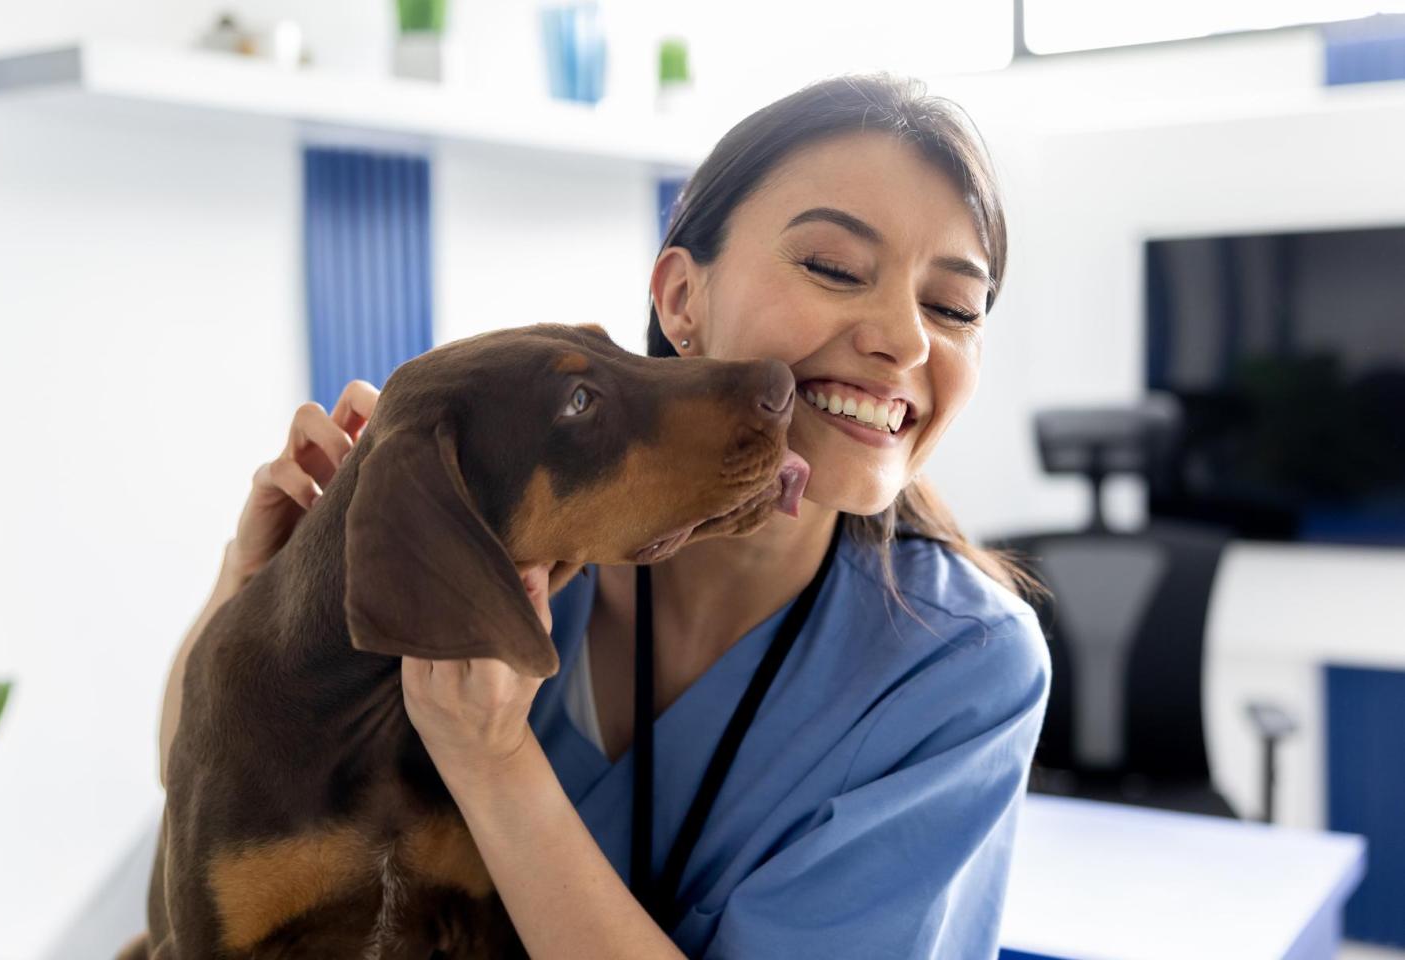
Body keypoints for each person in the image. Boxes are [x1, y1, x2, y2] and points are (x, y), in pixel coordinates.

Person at [159, 73, 1049, 958]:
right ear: (678, 299)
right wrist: (257, 591)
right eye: (833, 268)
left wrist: (494, 762)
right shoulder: (500, 532)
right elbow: (202, 781)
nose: (904, 336)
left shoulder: (961, 667)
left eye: (954, 307)